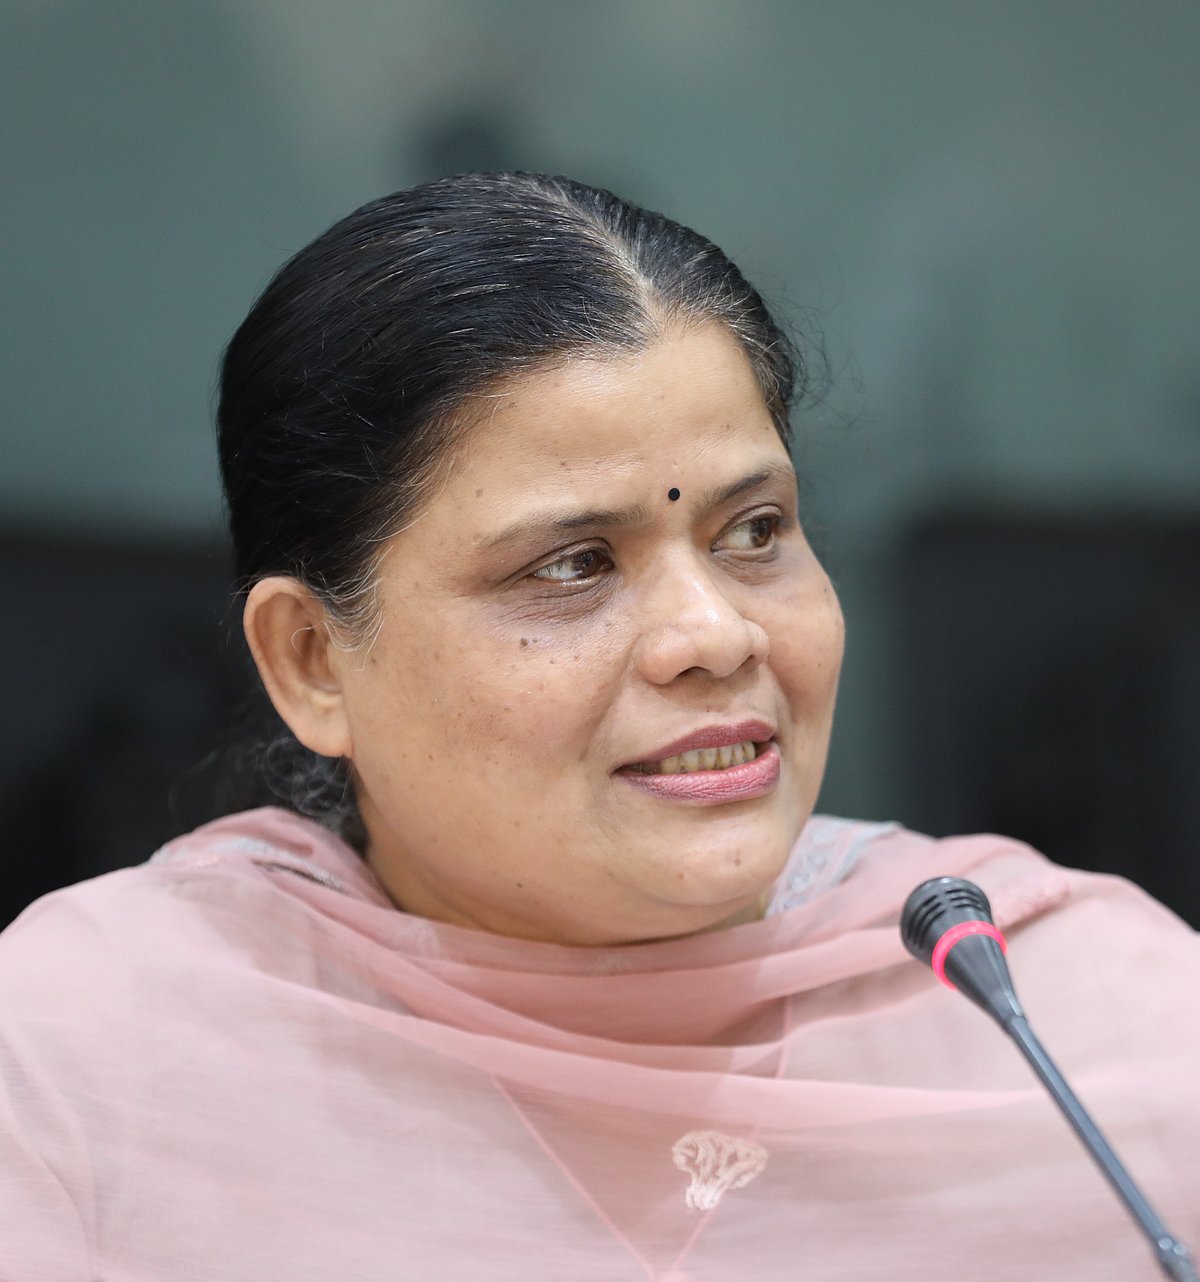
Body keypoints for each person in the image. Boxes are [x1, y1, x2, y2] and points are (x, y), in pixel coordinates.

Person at [1, 172, 1197, 1282]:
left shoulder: (1090, 1020)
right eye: (573, 564)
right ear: (313, 662)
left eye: (754, 532)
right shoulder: (87, 1059)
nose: (714, 634)